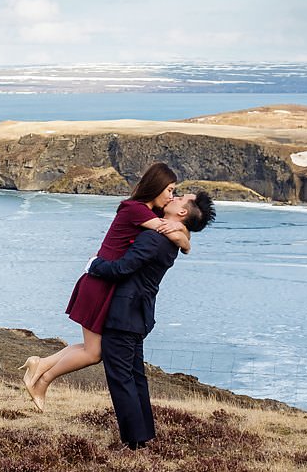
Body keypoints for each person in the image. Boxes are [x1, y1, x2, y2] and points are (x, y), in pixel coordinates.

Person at [20, 163, 191, 411]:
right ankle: (42, 380)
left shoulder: (146, 213)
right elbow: (180, 242)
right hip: (99, 283)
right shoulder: (136, 210)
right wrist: (182, 230)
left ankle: (40, 366)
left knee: (92, 349)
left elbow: (179, 238)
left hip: (105, 283)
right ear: (155, 187)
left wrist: (182, 230)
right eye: (169, 190)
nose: (171, 196)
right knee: (94, 352)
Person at [88, 191, 215, 450]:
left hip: (123, 315)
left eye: (179, 198)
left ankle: (134, 442)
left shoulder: (154, 238)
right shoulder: (171, 238)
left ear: (182, 213)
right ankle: (143, 437)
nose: (174, 196)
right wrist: (184, 234)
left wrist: (94, 264)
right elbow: (183, 237)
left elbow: (122, 268)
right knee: (135, 377)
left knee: (122, 378)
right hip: (139, 315)